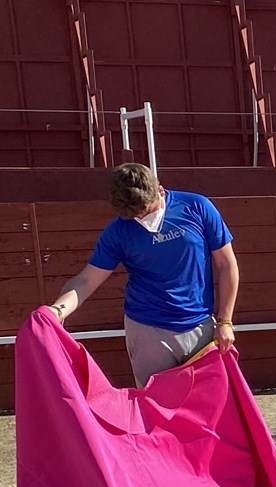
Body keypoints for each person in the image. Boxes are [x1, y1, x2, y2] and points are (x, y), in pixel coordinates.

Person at [44, 163, 240, 388]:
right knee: (155, 409)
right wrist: (58, 310)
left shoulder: (196, 207)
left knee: (209, 403)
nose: (144, 218)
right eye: (136, 215)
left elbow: (227, 265)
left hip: (200, 324)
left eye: (148, 210)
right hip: (147, 329)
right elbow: (87, 280)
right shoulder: (118, 232)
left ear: (160, 190)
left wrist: (225, 321)